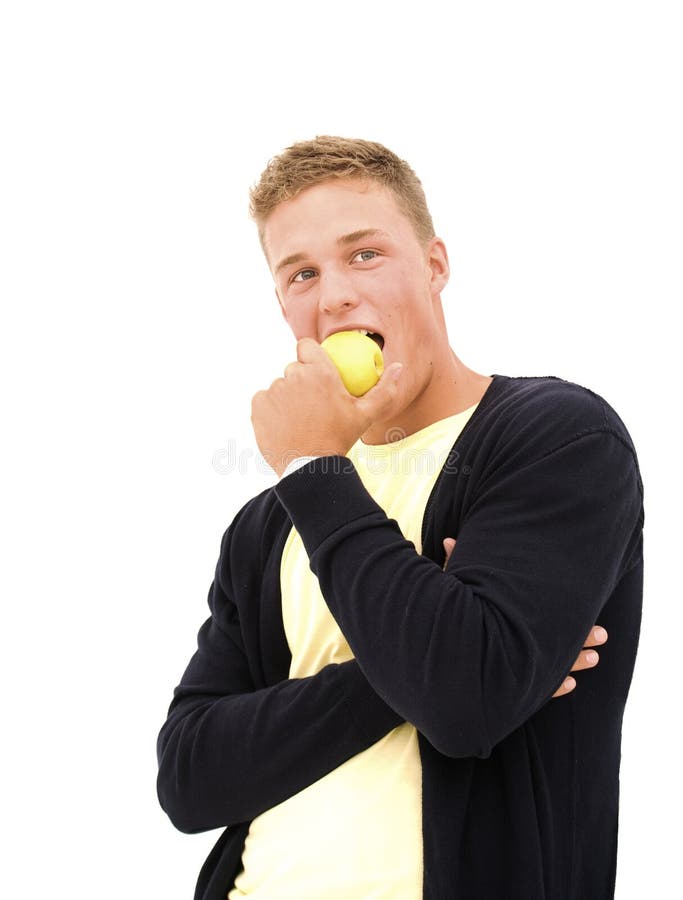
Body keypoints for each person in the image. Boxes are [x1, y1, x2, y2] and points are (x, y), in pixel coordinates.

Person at [156, 136, 644, 900]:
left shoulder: (555, 437)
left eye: (364, 255)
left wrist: (314, 468)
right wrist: (424, 662)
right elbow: (189, 776)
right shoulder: (268, 524)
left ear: (435, 264)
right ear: (284, 304)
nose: (336, 295)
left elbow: (464, 699)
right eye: (302, 273)